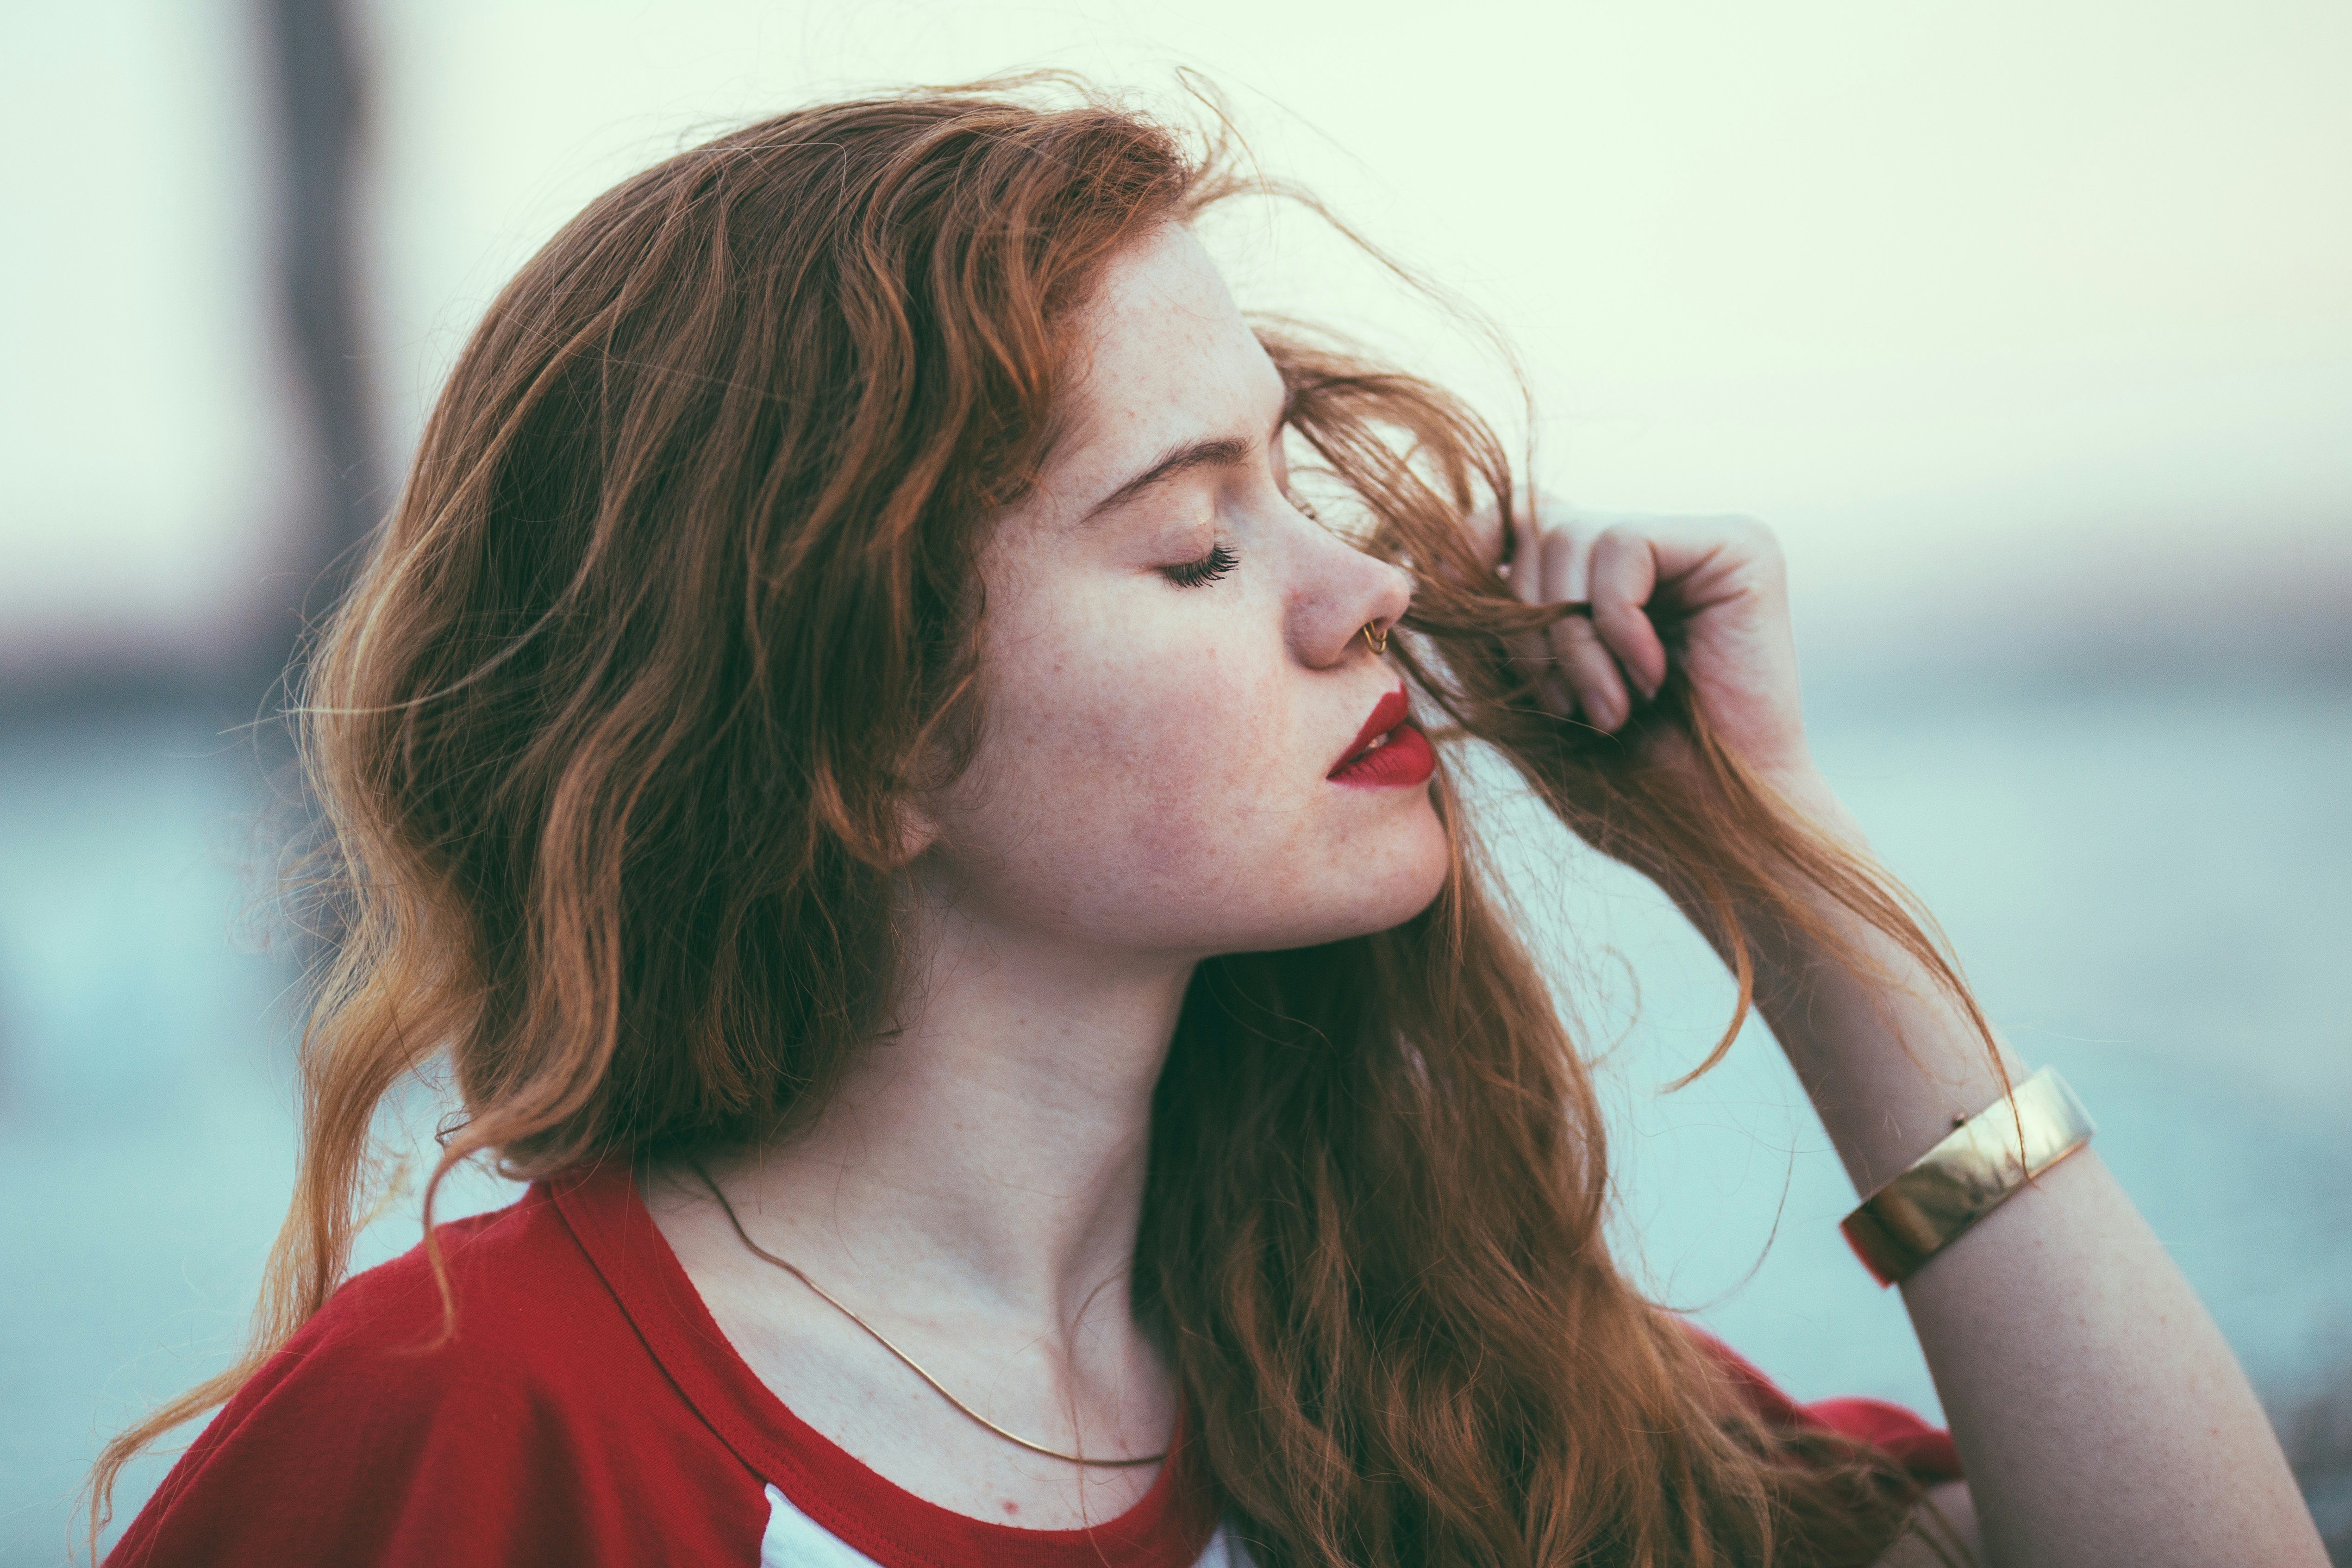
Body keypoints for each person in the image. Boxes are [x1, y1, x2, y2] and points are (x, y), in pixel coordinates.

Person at [90, 82, 2321, 1568]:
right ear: (855, 736)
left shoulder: (1431, 1377)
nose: (1357, 591)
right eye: (1191, 547)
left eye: (1296, 485)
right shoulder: (474, 1436)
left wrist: (1798, 894)